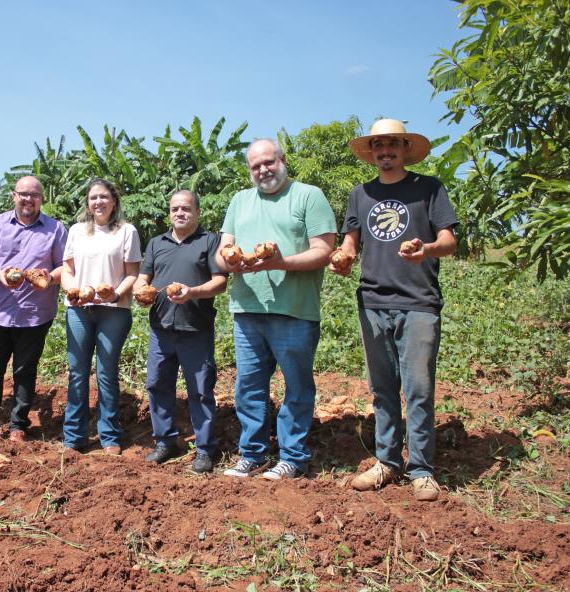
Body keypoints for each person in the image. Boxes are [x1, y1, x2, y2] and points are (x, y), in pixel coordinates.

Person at [331, 119, 458, 501]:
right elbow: (351, 242)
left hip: (418, 301)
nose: (385, 152)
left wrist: (428, 249)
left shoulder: (429, 189)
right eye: (378, 146)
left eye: (392, 145)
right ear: (371, 153)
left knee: (418, 389)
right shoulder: (360, 194)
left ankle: (420, 469)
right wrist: (342, 257)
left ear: (404, 149)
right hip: (373, 301)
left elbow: (449, 240)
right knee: (383, 389)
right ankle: (387, 461)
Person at [216, 138, 336, 480]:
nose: (263, 170)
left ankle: (293, 457)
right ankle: (252, 454)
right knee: (248, 386)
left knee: (296, 386)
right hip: (247, 310)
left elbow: (324, 251)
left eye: (268, 162)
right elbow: (223, 250)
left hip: (294, 311)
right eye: (255, 166)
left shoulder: (308, 196)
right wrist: (228, 260)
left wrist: (280, 263)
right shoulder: (240, 200)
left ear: (282, 160)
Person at [133, 190, 227, 473]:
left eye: (185, 208)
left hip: (195, 328)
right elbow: (143, 277)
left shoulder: (210, 241)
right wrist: (140, 290)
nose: (179, 213)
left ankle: (205, 449)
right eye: (174, 209)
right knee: (157, 384)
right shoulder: (156, 243)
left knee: (200, 390)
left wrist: (193, 292)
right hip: (161, 328)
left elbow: (220, 282)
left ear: (197, 212)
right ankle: (165, 441)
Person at [0, 175, 67, 442]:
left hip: (35, 315)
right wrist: (1, 275)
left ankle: (18, 425)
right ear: (14, 196)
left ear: (42, 198)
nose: (28, 199)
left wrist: (48, 277)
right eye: (23, 194)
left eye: (34, 195)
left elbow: (66, 266)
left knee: (25, 371)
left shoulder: (56, 229)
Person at [61, 178, 142, 455]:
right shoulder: (76, 231)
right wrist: (72, 291)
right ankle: (74, 436)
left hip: (114, 312)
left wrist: (116, 294)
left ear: (114, 201)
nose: (98, 202)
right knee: (77, 372)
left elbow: (132, 273)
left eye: (104, 197)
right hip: (79, 311)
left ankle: (109, 435)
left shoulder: (126, 231)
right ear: (87, 202)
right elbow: (67, 269)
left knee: (107, 372)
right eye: (93, 197)